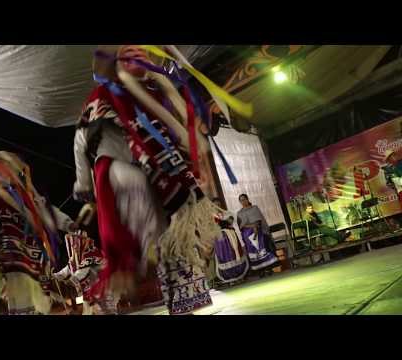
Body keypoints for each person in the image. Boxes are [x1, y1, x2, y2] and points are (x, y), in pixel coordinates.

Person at [72, 45, 222, 315]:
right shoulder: (103, 94)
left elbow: (186, 137)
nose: (135, 48)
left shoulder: (163, 92)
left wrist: (198, 171)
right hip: (125, 176)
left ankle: (185, 307)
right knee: (134, 250)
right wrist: (83, 184)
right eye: (125, 50)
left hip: (167, 175)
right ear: (115, 64)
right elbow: (82, 139)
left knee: (176, 244)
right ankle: (106, 296)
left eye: (141, 48)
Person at [0, 151, 77, 315]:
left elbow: (46, 211)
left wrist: (68, 224)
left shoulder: (26, 199)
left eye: (8, 169)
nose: (6, 173)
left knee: (25, 293)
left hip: (25, 255)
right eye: (0, 169)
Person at [237, 194, 279, 275]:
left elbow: (259, 220)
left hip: (259, 231)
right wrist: (252, 226)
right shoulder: (239, 213)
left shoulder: (254, 208)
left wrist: (255, 227)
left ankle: (268, 268)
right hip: (248, 236)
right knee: (254, 252)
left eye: (244, 199)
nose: (243, 201)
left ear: (247, 199)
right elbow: (241, 226)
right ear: (240, 202)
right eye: (241, 200)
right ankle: (260, 270)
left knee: (263, 247)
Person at [210, 198, 248, 286]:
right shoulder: (212, 216)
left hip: (231, 237)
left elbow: (232, 221)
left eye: (219, 204)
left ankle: (239, 276)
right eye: (215, 204)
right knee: (225, 258)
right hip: (220, 240)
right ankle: (230, 279)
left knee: (234, 255)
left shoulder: (227, 213)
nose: (217, 206)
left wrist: (223, 221)